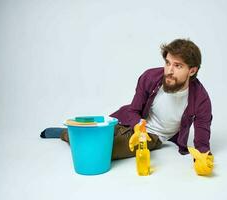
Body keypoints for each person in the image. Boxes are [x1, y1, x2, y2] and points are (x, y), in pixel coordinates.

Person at [41, 38, 214, 176]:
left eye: (178, 66)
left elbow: (202, 138)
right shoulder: (150, 77)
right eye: (168, 63)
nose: (169, 70)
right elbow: (133, 109)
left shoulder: (201, 100)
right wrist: (138, 124)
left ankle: (65, 134)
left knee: (100, 151)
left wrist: (203, 158)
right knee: (95, 129)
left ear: (192, 71)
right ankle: (74, 131)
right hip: (127, 119)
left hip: (150, 136)